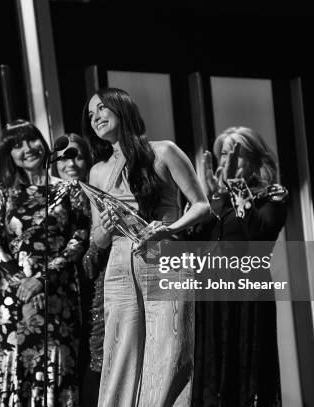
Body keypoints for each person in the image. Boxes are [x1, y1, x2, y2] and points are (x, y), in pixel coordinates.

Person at [82, 87, 211, 407]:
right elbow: (96, 241)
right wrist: (105, 227)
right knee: (120, 353)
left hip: (164, 255)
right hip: (119, 263)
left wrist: (171, 228)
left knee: (168, 350)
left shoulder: (164, 151)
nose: (95, 117)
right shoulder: (97, 171)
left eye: (101, 109)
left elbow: (201, 206)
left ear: (121, 108)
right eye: (90, 114)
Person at [0, 120, 88, 406]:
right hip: (14, 298)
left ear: (42, 143)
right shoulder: (3, 193)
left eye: (31, 140)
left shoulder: (69, 189)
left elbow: (78, 239)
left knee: (57, 366)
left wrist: (41, 280)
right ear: (9, 155)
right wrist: (24, 283)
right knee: (16, 366)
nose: (27, 148)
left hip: (58, 294)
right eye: (16, 145)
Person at [192, 126, 288, 407]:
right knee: (212, 371)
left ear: (258, 159)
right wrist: (204, 200)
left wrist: (235, 186)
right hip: (211, 292)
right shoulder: (216, 199)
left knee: (246, 365)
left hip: (247, 291)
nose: (229, 161)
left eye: (239, 155)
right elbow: (192, 239)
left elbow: (258, 234)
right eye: (224, 154)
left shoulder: (272, 194)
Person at [53, 133, 108, 406]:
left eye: (76, 155)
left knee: (94, 361)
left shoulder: (98, 196)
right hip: (59, 293)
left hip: (94, 289)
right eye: (62, 157)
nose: (69, 162)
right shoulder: (48, 200)